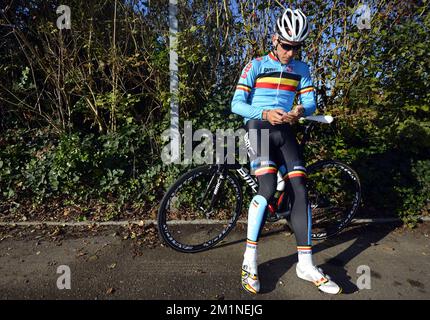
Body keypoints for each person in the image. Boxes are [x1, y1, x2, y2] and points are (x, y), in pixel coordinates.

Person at [231, 8, 342, 295]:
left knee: (300, 189)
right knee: (267, 188)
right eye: (286, 46)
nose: (290, 53)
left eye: (297, 47)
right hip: (258, 127)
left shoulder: (302, 70)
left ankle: (305, 264)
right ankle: (249, 260)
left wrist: (299, 110)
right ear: (274, 39)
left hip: (285, 131)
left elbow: (310, 103)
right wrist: (265, 112)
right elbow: (236, 104)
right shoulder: (254, 65)